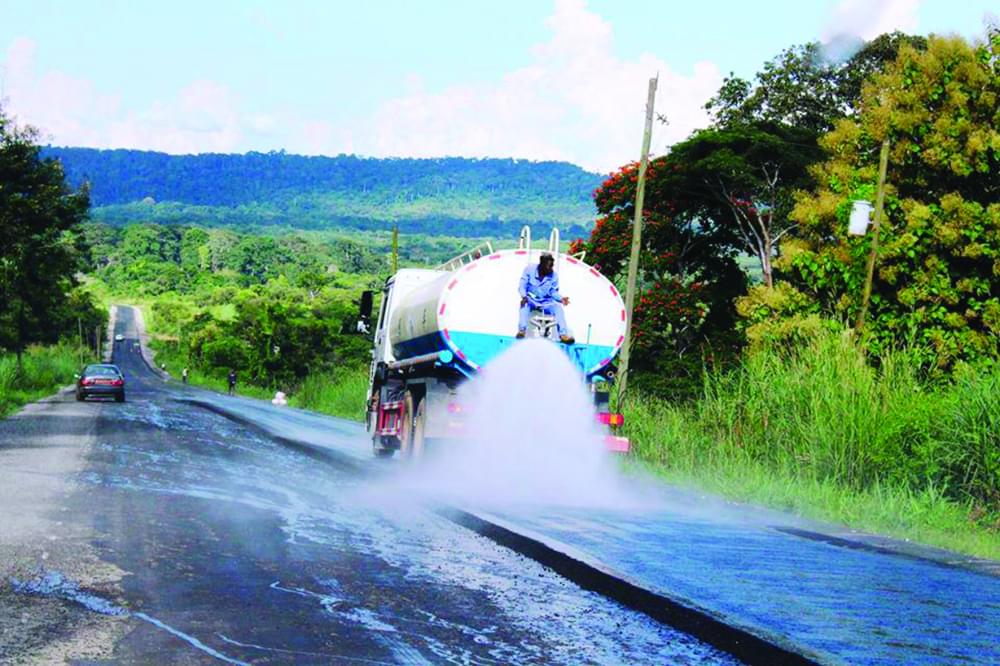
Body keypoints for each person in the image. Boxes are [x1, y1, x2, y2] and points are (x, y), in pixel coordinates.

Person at [516, 252, 574, 344]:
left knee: (558, 308)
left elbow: (552, 292)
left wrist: (561, 299)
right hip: (530, 299)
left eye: (552, 267)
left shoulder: (553, 275)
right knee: (524, 305)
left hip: (546, 302)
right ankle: (522, 331)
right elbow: (522, 285)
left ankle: (563, 335)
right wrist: (523, 296)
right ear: (541, 265)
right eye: (548, 267)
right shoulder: (529, 269)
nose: (550, 270)